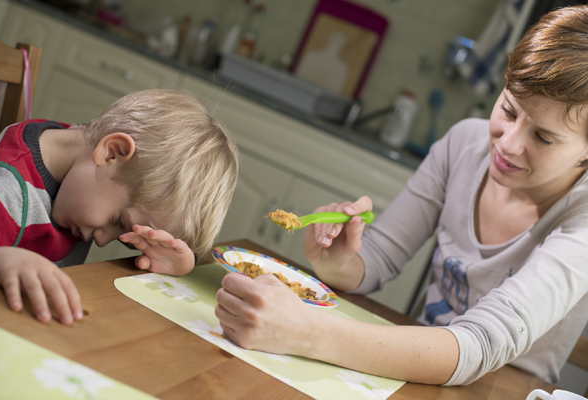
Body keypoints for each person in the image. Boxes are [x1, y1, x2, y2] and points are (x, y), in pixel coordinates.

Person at [214, 4, 588, 386]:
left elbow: (479, 346)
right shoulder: (465, 144)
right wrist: (339, 262)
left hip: (501, 389)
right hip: (413, 369)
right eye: (508, 111)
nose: (507, 144)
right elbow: (376, 260)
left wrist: (306, 332)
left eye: (543, 137)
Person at [0, 89, 239, 326]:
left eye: (126, 240)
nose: (101, 241)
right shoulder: (4, 188)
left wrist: (173, 262)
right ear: (112, 153)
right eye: (119, 222)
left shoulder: (77, 157)